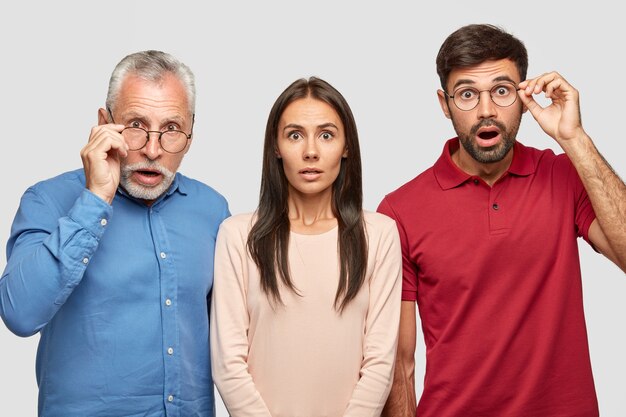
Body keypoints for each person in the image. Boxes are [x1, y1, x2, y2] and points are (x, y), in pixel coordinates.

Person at [378, 24, 626, 417]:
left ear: (525, 96)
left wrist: (574, 138)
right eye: (466, 94)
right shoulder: (399, 211)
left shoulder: (564, 176)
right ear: (444, 104)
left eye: (502, 90)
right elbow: (398, 364)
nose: (486, 110)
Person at [0, 50, 230, 416]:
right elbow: (19, 314)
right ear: (104, 123)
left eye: (171, 129)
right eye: (136, 124)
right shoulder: (48, 200)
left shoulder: (212, 211)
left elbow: (234, 337)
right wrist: (94, 199)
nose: (153, 150)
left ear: (190, 134)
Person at [210, 77, 402, 416]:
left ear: (346, 147)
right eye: (294, 135)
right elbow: (228, 363)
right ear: (276, 146)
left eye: (326, 135)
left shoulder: (379, 235)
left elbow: (380, 362)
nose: (310, 151)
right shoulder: (238, 236)